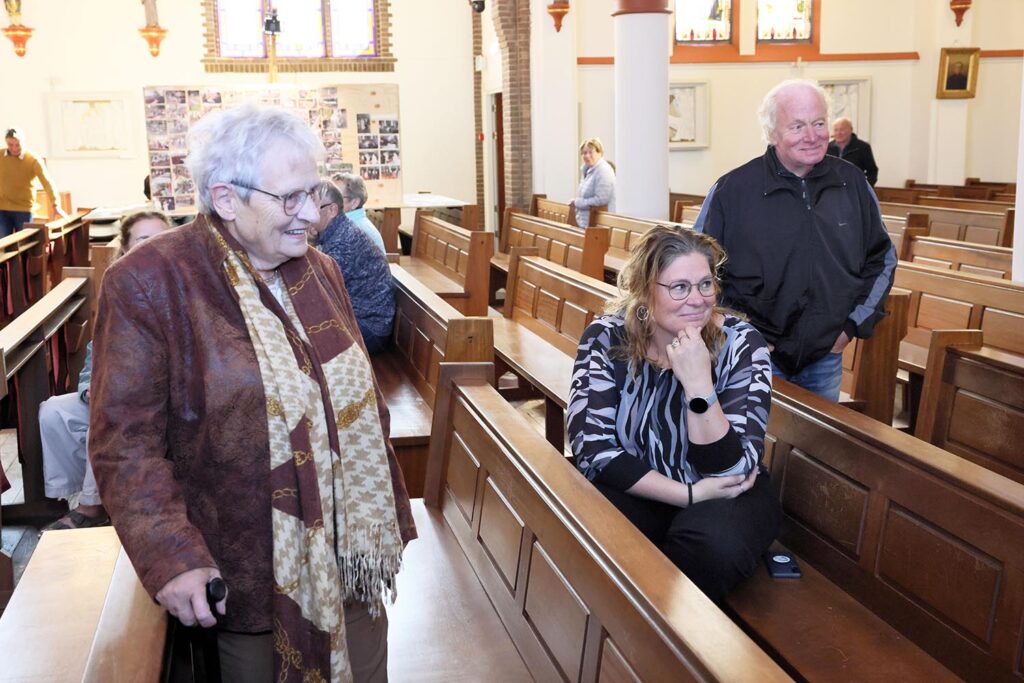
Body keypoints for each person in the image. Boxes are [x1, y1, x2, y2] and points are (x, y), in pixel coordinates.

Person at [89, 105, 416, 683]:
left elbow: (359, 402)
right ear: (226, 197)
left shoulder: (320, 270)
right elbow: (125, 445)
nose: (312, 214)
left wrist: (383, 513)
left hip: (349, 558)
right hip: (244, 567)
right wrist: (171, 556)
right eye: (290, 198)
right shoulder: (150, 281)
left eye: (314, 192)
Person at [567, 226, 779, 601]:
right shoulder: (607, 337)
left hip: (724, 492)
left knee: (713, 546)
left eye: (705, 285)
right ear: (646, 292)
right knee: (590, 526)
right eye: (679, 287)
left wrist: (699, 386)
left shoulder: (742, 345)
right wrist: (686, 495)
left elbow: (731, 470)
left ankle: (688, 645)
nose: (697, 299)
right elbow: (593, 451)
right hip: (643, 482)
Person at [694, 79, 896, 402]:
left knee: (815, 450)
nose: (812, 135)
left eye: (818, 123)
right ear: (772, 133)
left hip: (825, 356)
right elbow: (694, 266)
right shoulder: (733, 190)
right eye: (798, 126)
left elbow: (882, 259)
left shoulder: (852, 184)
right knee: (756, 449)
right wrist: (726, 325)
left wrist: (850, 327)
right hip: (754, 356)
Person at [39, 211, 173, 532]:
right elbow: (95, 353)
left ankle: (92, 506)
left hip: (163, 400)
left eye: (162, 239)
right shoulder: (120, 288)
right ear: (125, 250)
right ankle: (68, 498)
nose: (154, 246)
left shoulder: (181, 288)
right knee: (54, 411)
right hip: (117, 391)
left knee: (109, 409)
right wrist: (89, 386)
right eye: (144, 240)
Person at [311, 180, 395, 354]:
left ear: (332, 210)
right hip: (361, 321)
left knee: (304, 341)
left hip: (370, 329)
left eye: (313, 209)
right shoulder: (337, 231)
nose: (307, 215)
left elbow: (320, 292)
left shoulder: (342, 242)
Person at [0, 127, 66, 237]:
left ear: (23, 142)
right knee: (3, 245)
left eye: (17, 144)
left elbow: (47, 182)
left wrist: (56, 205)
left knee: (24, 243)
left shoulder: (33, 159)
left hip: (24, 209)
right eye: (10, 145)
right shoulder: (1, 156)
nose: (14, 148)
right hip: (2, 209)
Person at [332, 172, 386, 252]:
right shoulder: (351, 223)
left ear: (354, 203)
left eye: (337, 197)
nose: (330, 201)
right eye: (329, 195)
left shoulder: (353, 229)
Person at [569, 137, 616, 228]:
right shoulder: (588, 170)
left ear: (600, 153)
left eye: (591, 152)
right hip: (586, 222)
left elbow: (601, 200)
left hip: (598, 225)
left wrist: (578, 202)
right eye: (584, 153)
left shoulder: (603, 171)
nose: (587, 155)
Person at [827, 117, 878, 187]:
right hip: (832, 190)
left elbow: (872, 171)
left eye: (842, 129)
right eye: (836, 130)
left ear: (851, 130)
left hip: (854, 190)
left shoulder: (863, 147)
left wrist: (864, 188)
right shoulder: (827, 148)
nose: (838, 133)